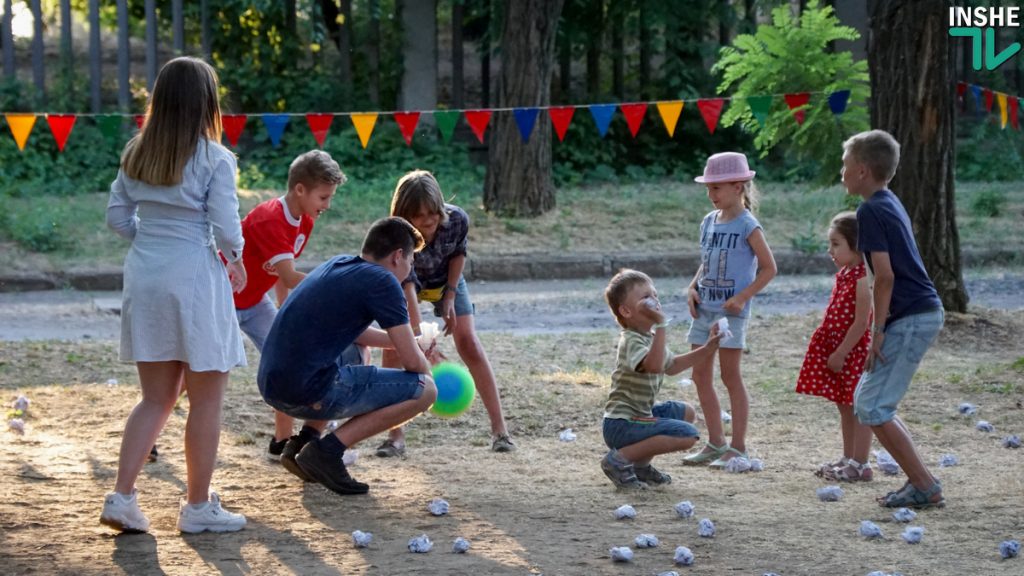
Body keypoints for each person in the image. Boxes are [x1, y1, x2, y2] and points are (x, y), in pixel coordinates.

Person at [100, 57, 247, 534]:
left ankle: (122, 496)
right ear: (207, 102)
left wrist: (153, 234)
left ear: (159, 99)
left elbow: (118, 218)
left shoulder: (135, 152)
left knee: (155, 399)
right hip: (194, 277)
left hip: (146, 274)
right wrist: (237, 259)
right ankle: (198, 507)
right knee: (206, 399)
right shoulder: (214, 158)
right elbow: (226, 228)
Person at [258, 217, 439, 496]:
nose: (409, 271)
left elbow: (359, 335)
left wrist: (410, 342)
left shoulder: (339, 264)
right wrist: (427, 367)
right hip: (307, 391)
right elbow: (415, 365)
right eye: (411, 263)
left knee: (356, 350)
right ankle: (327, 452)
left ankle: (303, 443)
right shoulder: (383, 281)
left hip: (273, 385)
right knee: (425, 390)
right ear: (397, 256)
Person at [374, 170, 514, 456]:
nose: (427, 221)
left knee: (469, 342)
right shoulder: (395, 236)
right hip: (406, 283)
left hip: (446, 279)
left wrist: (449, 295)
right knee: (394, 350)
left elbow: (459, 253)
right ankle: (395, 437)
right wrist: (421, 341)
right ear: (404, 215)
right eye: (418, 215)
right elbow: (407, 283)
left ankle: (501, 431)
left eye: (432, 213)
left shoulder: (457, 219)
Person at [841, 130, 946, 508]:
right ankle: (921, 483)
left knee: (872, 406)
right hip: (918, 313)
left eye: (845, 164)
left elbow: (884, 277)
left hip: (911, 316)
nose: (842, 171)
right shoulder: (885, 200)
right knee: (869, 401)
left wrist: (877, 331)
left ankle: (925, 486)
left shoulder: (869, 209)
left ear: (863, 170)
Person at [232, 150, 346, 461]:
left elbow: (283, 272)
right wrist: (338, 287)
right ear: (299, 190)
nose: (327, 205)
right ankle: (154, 428)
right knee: (198, 371)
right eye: (323, 197)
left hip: (253, 301)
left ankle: (281, 441)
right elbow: (291, 275)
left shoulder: (305, 219)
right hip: (221, 302)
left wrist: (286, 311)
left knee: (286, 358)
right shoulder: (271, 219)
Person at [682, 152, 777, 468]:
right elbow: (706, 260)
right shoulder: (708, 222)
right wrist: (692, 287)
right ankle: (715, 443)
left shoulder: (748, 225)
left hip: (730, 315)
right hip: (704, 310)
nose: (711, 195)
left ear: (739, 186)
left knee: (730, 376)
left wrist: (743, 297)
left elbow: (768, 268)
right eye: (708, 189)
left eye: (717, 188)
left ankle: (738, 446)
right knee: (700, 375)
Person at [601, 269, 723, 490]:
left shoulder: (650, 337)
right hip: (621, 423)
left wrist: (709, 348)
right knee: (688, 436)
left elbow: (672, 366)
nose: (654, 301)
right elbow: (654, 365)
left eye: (655, 295)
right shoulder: (631, 340)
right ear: (626, 311)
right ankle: (619, 460)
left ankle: (639, 467)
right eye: (645, 297)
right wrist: (662, 323)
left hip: (638, 417)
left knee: (687, 412)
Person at [796, 212, 873, 481]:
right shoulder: (845, 274)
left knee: (856, 405)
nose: (831, 251)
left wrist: (840, 352)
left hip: (853, 352)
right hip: (838, 348)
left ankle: (860, 462)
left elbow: (862, 322)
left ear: (857, 243)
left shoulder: (863, 278)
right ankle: (848, 456)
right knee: (843, 404)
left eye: (836, 244)